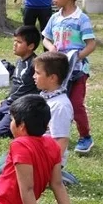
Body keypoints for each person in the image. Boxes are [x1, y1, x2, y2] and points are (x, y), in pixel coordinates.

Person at [42, 0, 97, 153]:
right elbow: (46, 37)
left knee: (75, 103)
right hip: (58, 70)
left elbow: (91, 44)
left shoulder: (81, 18)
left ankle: (85, 137)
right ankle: (52, 133)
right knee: (54, 101)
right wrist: (52, 49)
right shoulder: (54, 18)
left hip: (78, 71)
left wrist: (76, 58)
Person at [0, 26, 40, 138]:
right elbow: (16, 85)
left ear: (31, 46)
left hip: (21, 106)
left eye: (19, 42)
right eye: (14, 41)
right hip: (9, 103)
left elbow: (40, 89)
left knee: (0, 132)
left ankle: (24, 123)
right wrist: (6, 98)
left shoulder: (35, 64)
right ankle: (8, 117)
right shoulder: (19, 61)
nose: (14, 44)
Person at [33, 52, 78, 185]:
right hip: (37, 152)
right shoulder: (46, 97)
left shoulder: (60, 106)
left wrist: (50, 168)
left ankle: (56, 177)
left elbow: (60, 142)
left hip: (47, 160)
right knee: (4, 164)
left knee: (6, 169)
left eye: (37, 73)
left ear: (52, 78)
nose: (33, 76)